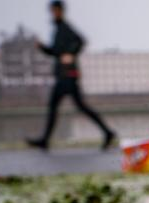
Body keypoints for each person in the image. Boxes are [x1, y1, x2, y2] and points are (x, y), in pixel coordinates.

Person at [27, 0, 115, 151]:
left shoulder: (65, 27)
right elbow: (55, 52)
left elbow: (81, 41)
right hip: (62, 75)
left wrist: (71, 54)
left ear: (60, 11)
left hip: (68, 75)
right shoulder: (57, 29)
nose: (53, 13)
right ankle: (107, 132)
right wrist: (42, 47)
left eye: (55, 10)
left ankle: (108, 132)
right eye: (52, 11)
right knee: (61, 106)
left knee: (72, 106)